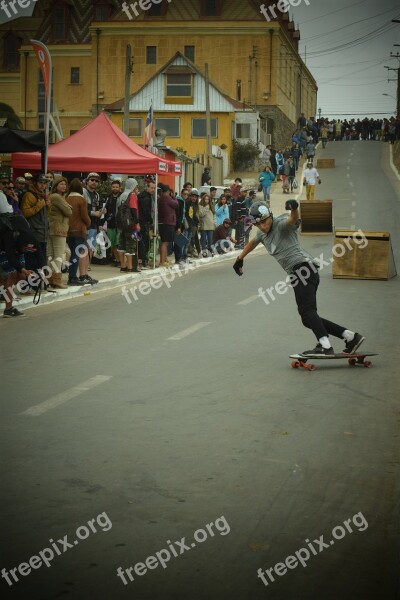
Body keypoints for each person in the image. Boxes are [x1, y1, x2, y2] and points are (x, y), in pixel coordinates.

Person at [233, 201, 365, 356]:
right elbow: (253, 242)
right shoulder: (262, 233)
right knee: (307, 317)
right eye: (258, 224)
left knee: (307, 311)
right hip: (304, 272)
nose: (262, 226)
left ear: (270, 216)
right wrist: (240, 258)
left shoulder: (280, 224)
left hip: (303, 269)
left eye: (264, 221)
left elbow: (293, 219)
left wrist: (294, 208)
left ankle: (325, 346)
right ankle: (350, 337)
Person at [66, 178, 94, 286]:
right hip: (79, 230)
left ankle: (71, 275)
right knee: (76, 254)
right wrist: (89, 223)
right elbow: (84, 216)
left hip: (68, 229)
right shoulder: (81, 200)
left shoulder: (66, 198)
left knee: (71, 253)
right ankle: (72, 276)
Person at [20, 173, 49, 273]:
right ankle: (30, 285)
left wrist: (48, 206)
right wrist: (39, 205)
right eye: (40, 182)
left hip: (42, 234)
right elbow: (25, 213)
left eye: (45, 183)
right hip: (33, 234)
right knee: (32, 262)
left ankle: (38, 284)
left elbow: (44, 217)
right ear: (35, 183)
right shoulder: (29, 195)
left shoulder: (42, 195)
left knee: (41, 262)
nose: (43, 185)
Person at [47, 175, 72, 289]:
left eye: (65, 184)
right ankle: (56, 280)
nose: (64, 186)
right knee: (59, 255)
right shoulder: (57, 197)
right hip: (59, 229)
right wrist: (68, 206)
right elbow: (68, 212)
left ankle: (49, 279)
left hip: (51, 228)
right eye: (61, 184)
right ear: (55, 186)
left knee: (51, 255)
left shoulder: (53, 196)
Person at [117, 178, 140, 273]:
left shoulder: (121, 195)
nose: (136, 188)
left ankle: (123, 266)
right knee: (131, 245)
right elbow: (134, 210)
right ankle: (130, 267)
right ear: (133, 186)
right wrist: (137, 223)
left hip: (121, 224)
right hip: (131, 224)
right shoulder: (132, 195)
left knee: (121, 245)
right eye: (136, 186)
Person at [158, 185, 178, 268]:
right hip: (167, 222)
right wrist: (174, 197)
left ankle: (164, 259)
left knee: (164, 242)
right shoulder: (166, 197)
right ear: (168, 191)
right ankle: (163, 261)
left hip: (164, 222)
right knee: (165, 243)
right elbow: (176, 204)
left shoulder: (162, 198)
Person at [104, 179, 122, 267]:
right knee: (113, 244)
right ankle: (118, 260)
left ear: (120, 188)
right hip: (110, 224)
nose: (115, 188)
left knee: (119, 243)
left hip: (120, 224)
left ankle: (122, 261)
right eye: (113, 187)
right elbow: (105, 210)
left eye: (116, 187)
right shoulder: (108, 198)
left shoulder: (122, 197)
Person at [137, 179, 155, 269]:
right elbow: (146, 211)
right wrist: (151, 221)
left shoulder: (143, 196)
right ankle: (143, 262)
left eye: (154, 188)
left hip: (140, 222)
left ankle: (141, 261)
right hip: (143, 223)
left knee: (141, 242)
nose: (153, 190)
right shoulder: (146, 198)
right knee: (144, 243)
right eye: (151, 188)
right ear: (147, 188)